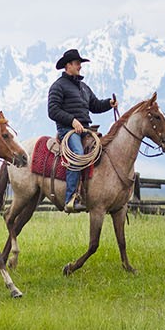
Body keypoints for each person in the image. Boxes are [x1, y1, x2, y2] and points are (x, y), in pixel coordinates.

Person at [47, 48, 116, 212]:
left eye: (80, 64)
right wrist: (72, 121)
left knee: (103, 149)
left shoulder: (84, 87)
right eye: (77, 63)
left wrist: (108, 103)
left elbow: (95, 105)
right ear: (68, 65)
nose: (80, 67)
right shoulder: (58, 86)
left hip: (86, 130)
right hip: (67, 130)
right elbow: (53, 110)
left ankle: (96, 192)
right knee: (77, 153)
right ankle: (70, 198)